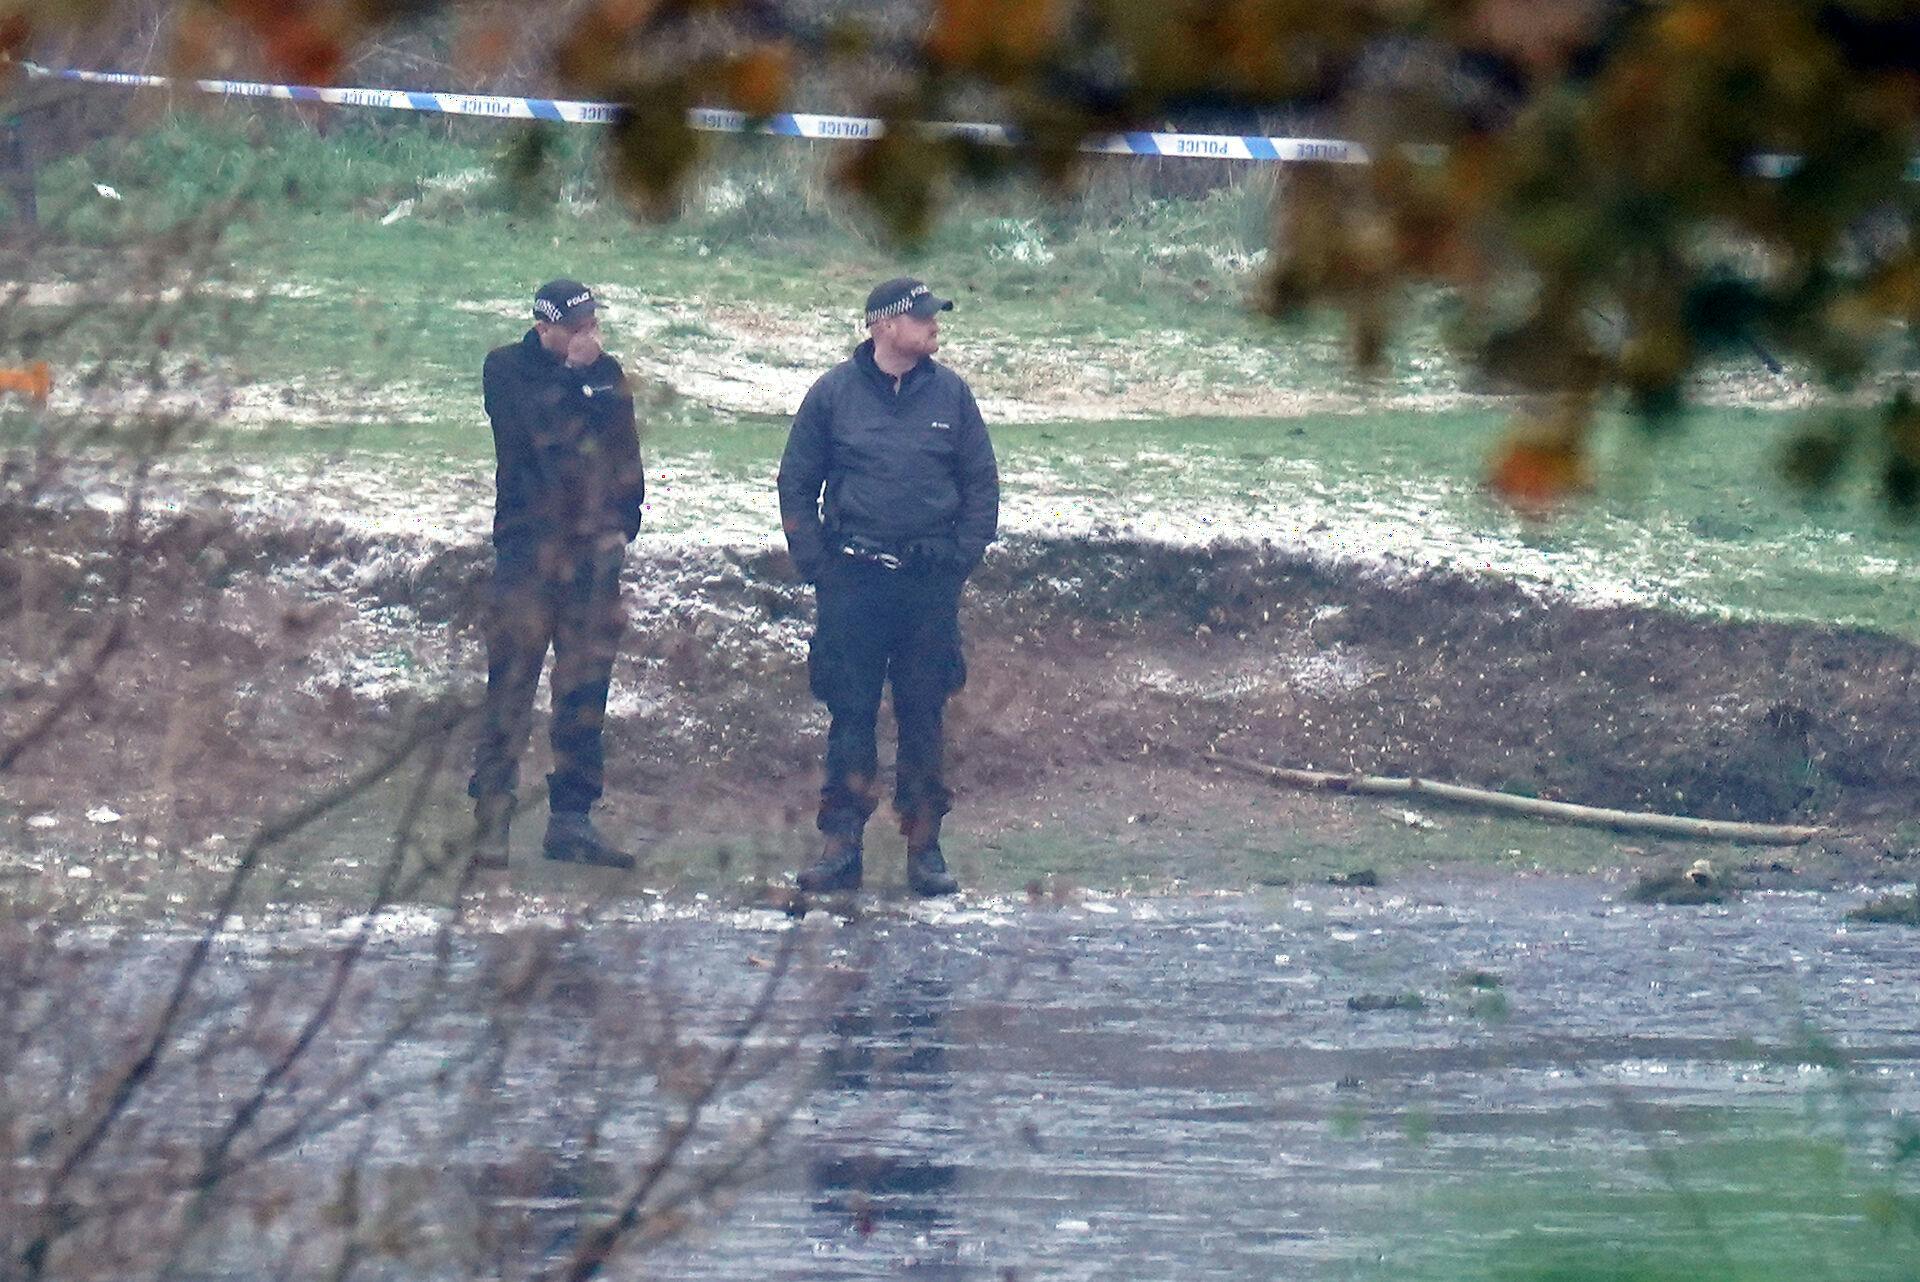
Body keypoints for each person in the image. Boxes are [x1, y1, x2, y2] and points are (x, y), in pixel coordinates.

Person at [778, 277, 999, 896]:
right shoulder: (832, 395)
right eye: (923, 317)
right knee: (850, 716)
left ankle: (924, 851)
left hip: (928, 586)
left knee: (924, 716)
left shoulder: (953, 395)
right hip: (853, 583)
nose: (935, 327)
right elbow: (796, 482)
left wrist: (958, 560)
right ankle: (840, 847)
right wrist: (819, 565)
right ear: (884, 326)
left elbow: (982, 486)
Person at [468, 279, 645, 870]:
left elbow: (622, 449)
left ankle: (572, 819)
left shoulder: (606, 374)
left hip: (592, 556)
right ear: (544, 327)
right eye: (577, 327)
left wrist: (625, 523)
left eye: (593, 325)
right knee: (511, 684)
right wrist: (577, 380)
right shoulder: (507, 369)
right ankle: (492, 816)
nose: (588, 337)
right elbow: (539, 438)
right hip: (528, 554)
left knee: (585, 689)